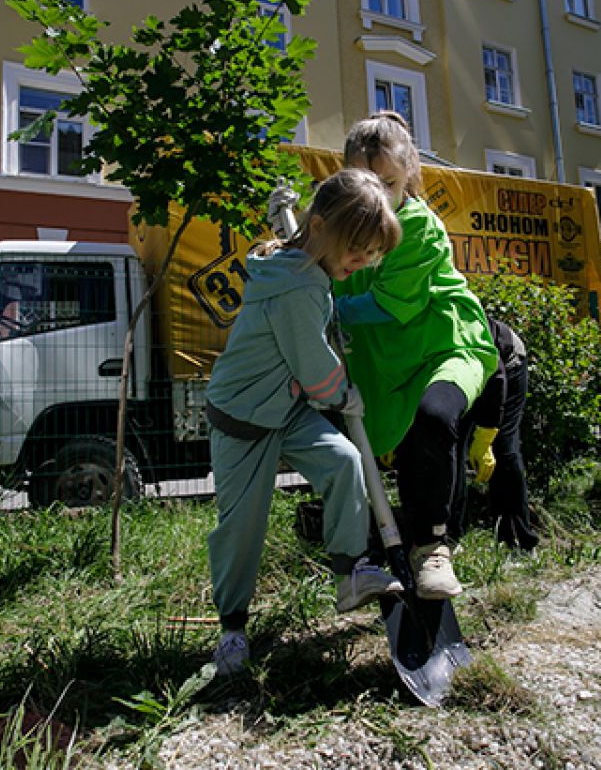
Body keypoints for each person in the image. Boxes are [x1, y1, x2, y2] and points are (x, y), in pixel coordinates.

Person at [205, 168, 405, 677]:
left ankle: (349, 571)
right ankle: (232, 629)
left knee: (343, 461)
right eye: (356, 250)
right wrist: (343, 394)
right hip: (243, 418)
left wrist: (285, 221)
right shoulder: (296, 286)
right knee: (242, 528)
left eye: (372, 254)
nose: (363, 262)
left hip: (286, 409)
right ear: (318, 229)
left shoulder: (305, 264)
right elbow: (313, 366)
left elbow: (300, 253)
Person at [334, 111, 499, 600]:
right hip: (384, 360)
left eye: (388, 181)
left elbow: (387, 304)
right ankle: (366, 554)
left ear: (408, 172)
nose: (379, 194)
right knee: (391, 450)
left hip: (443, 343)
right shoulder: (342, 225)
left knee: (432, 418)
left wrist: (326, 307)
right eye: (366, 182)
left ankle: (432, 549)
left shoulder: (416, 225)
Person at [458, 316, 539, 551]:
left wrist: (485, 439)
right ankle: (450, 537)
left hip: (505, 367)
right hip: (462, 373)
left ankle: (521, 541)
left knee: (504, 449)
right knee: (450, 447)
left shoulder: (457, 319)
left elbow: (497, 378)